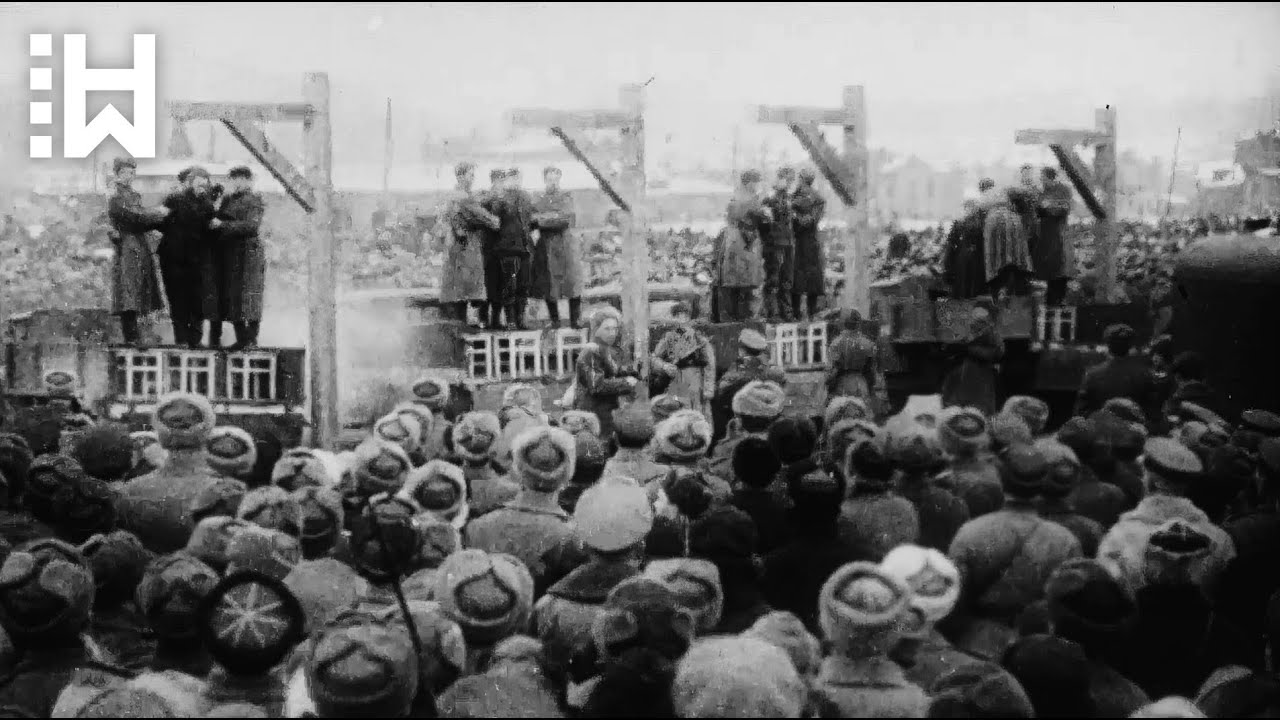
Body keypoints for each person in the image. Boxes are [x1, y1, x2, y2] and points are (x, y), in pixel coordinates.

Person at [106, 157, 170, 345]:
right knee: (130, 292)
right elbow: (134, 217)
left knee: (138, 290)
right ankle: (132, 336)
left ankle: (138, 335)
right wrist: (158, 214)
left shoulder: (132, 194)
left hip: (137, 245)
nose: (129, 176)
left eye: (131, 172)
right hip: (128, 245)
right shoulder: (116, 195)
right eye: (125, 172)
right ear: (117, 174)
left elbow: (139, 218)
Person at [159, 166, 219, 347]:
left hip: (197, 260)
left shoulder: (208, 205)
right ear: (189, 184)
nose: (202, 188)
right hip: (175, 259)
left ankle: (194, 339)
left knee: (197, 300)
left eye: (205, 185)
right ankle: (183, 339)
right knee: (179, 300)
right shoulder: (175, 200)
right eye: (199, 184)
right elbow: (161, 221)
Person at [209, 166, 265, 350]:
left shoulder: (254, 200)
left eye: (241, 179)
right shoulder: (227, 200)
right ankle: (242, 338)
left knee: (250, 297)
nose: (237, 183)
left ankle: (250, 339)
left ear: (249, 181)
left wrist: (223, 224)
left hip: (249, 254)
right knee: (234, 297)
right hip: (232, 253)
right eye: (234, 179)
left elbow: (251, 226)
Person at [440, 161, 499, 327]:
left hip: (455, 247)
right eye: (470, 175)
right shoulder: (464, 197)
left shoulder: (453, 196)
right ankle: (471, 323)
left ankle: (463, 323)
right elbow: (491, 221)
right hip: (466, 247)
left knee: (459, 291)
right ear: (460, 176)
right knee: (469, 288)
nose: (472, 179)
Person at [571, 307, 639, 441]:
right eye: (607, 329)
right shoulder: (591, 351)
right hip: (593, 414)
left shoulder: (605, 349)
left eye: (615, 328)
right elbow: (597, 386)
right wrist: (626, 383)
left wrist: (631, 371)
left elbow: (613, 370)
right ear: (596, 329)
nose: (612, 333)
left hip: (606, 411)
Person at [530, 166, 584, 328]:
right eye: (549, 179)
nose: (552, 183)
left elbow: (565, 218)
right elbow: (531, 220)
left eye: (555, 179)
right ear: (544, 180)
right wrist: (549, 217)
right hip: (546, 247)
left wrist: (542, 219)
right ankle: (555, 321)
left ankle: (575, 320)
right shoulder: (538, 198)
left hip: (565, 245)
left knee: (572, 283)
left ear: (559, 179)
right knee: (548, 285)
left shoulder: (567, 196)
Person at [713, 170, 769, 321]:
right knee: (743, 288)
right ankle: (743, 318)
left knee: (736, 287)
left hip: (737, 244)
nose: (757, 185)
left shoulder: (738, 198)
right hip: (743, 245)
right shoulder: (750, 200)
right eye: (756, 182)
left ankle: (736, 318)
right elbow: (758, 221)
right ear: (749, 182)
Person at [1074, 324, 1160, 419]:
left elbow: (1082, 412)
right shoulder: (1145, 374)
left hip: (1100, 430)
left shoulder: (1092, 375)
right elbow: (1153, 411)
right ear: (1130, 346)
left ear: (1108, 345)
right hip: (1136, 430)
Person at [650, 302, 715, 415]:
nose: (681, 319)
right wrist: (664, 366)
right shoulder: (668, 338)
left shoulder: (698, 337)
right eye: (678, 316)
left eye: (684, 316)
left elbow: (709, 363)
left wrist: (708, 388)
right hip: (678, 378)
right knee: (678, 412)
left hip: (696, 379)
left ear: (689, 318)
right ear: (673, 318)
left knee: (699, 414)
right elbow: (654, 359)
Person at [941, 304, 1004, 417]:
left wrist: (969, 349)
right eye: (975, 321)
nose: (976, 324)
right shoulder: (968, 333)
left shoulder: (991, 334)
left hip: (981, 377)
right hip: (963, 377)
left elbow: (996, 353)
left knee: (980, 409)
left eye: (980, 322)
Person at [979, 179, 1033, 297]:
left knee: (997, 260)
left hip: (995, 224)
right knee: (1014, 259)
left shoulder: (986, 201)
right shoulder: (1005, 193)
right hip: (1013, 222)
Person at [1033, 167, 1075, 306]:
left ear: (1049, 177)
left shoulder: (1062, 190)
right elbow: (1038, 208)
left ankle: (1058, 300)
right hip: (1046, 235)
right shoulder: (1043, 192)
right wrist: (1043, 207)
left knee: (1059, 270)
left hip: (1057, 235)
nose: (1041, 181)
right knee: (1049, 272)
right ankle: (1051, 300)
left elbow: (1064, 207)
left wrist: (1048, 206)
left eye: (1043, 178)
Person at [825, 309, 883, 407]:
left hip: (842, 386)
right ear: (858, 324)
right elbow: (872, 371)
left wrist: (828, 384)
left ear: (843, 324)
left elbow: (832, 371)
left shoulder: (836, 343)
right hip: (861, 385)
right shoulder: (868, 344)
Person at [791, 167, 827, 320]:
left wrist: (795, 217)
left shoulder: (811, 198)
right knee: (806, 280)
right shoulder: (815, 198)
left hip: (803, 242)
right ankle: (808, 313)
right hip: (806, 242)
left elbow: (809, 221)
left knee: (801, 279)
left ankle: (799, 313)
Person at [761, 167, 796, 321]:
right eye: (786, 179)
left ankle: (787, 313)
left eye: (790, 180)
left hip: (787, 243)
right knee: (773, 280)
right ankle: (773, 313)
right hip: (774, 244)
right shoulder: (769, 200)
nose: (789, 183)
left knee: (787, 280)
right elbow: (764, 224)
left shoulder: (790, 199)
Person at [941, 200, 987, 300]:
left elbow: (950, 247)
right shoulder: (981, 225)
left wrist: (947, 266)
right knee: (974, 294)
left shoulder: (959, 224)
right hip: (976, 264)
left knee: (962, 293)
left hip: (962, 263)